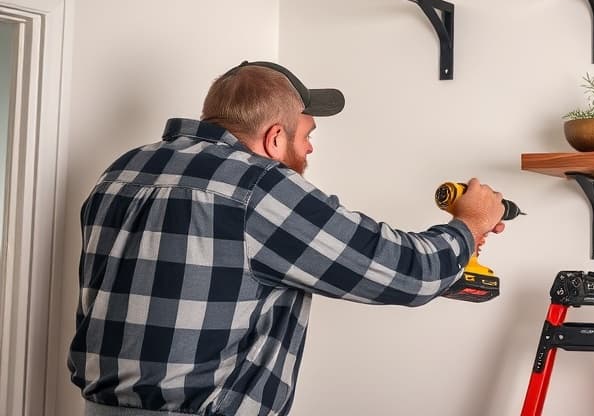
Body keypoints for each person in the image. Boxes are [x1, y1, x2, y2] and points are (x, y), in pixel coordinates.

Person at [68, 60, 508, 416]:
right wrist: (469, 226)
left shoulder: (124, 170)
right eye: (307, 134)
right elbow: (403, 271)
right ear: (276, 137)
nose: (311, 149)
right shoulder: (257, 186)